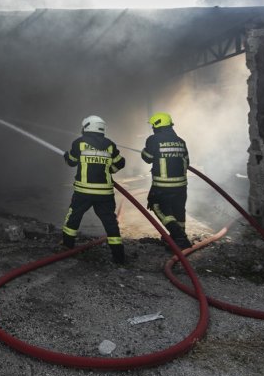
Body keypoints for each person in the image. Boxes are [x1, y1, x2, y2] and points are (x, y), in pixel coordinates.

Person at [59, 114, 126, 264]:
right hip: (105, 193)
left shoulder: (79, 143)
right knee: (110, 222)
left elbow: (71, 162)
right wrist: (110, 169)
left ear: (87, 126)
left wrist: (66, 156)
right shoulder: (110, 145)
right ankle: (119, 256)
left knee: (74, 217)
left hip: (84, 192)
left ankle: (67, 247)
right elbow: (120, 163)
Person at [141, 112, 192, 250]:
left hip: (163, 185)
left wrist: (143, 151)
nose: (152, 128)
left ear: (157, 125)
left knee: (158, 207)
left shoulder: (153, 139)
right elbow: (187, 162)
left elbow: (147, 158)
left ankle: (180, 239)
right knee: (178, 211)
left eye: (153, 125)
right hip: (181, 185)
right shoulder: (181, 141)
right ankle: (176, 237)